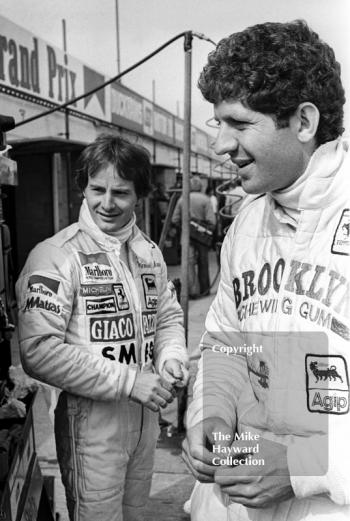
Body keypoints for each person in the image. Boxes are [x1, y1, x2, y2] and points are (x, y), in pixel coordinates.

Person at [182, 20, 350, 521]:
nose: (220, 145)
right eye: (219, 123)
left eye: (240, 123)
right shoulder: (247, 222)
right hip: (242, 496)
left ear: (303, 121)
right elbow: (227, 345)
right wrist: (210, 414)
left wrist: (303, 467)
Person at [16, 134, 189, 521]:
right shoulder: (56, 255)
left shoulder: (149, 252)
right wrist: (130, 382)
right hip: (92, 422)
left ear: (139, 195)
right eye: (98, 189)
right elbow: (39, 350)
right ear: (84, 187)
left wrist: (172, 358)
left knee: (135, 515)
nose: (107, 203)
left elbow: (167, 317)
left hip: (145, 417)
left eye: (121, 192)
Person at [172, 176, 216, 298]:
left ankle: (192, 291)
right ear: (201, 186)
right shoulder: (205, 199)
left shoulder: (182, 199)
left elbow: (175, 219)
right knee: (203, 263)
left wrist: (187, 227)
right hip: (202, 237)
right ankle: (204, 290)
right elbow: (212, 221)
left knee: (189, 263)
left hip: (186, 237)